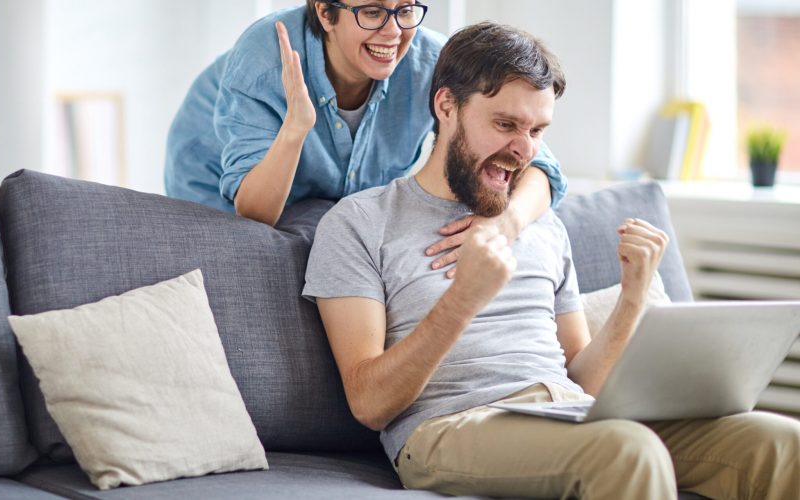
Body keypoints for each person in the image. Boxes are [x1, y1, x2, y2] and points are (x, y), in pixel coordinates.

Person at [303, 21, 800, 500]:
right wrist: (462, 300)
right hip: (450, 426)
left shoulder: (540, 224)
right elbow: (369, 404)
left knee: (778, 443)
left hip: (569, 413)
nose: (523, 150)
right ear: (447, 105)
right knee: (627, 450)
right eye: (505, 125)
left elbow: (584, 379)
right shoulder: (360, 223)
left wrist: (631, 299)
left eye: (538, 130)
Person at [165, 1, 568, 273]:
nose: (393, 32)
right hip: (222, 188)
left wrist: (505, 223)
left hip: (335, 204)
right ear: (325, 11)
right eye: (373, 11)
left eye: (406, 10)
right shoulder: (266, 57)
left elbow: (537, 165)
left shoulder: (431, 61)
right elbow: (254, 213)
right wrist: (295, 129)